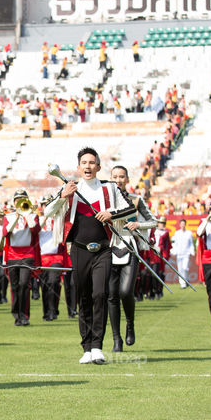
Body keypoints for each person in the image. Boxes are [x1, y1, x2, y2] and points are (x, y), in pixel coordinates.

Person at [45, 147, 136, 364]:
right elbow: (48, 211)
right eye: (84, 163)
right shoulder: (70, 187)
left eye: (92, 162)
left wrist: (111, 213)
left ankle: (97, 346)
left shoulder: (110, 188)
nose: (88, 166)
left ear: (98, 167)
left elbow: (130, 209)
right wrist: (62, 197)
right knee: (83, 297)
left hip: (103, 249)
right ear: (78, 167)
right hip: (78, 249)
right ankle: (86, 347)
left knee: (99, 294)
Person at [107, 165, 155, 351]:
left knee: (126, 292)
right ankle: (116, 339)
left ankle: (130, 324)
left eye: (121, 177)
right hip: (109, 249)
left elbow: (153, 221)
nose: (118, 180)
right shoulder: (105, 202)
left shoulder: (136, 200)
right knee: (111, 295)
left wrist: (138, 225)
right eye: (115, 176)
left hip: (130, 248)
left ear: (127, 179)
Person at [1, 189, 41, 326]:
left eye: (23, 199)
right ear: (14, 202)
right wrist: (17, 217)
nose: (20, 201)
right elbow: (6, 233)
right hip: (12, 255)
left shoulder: (33, 216)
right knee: (14, 286)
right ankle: (16, 314)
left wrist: (27, 214)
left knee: (24, 284)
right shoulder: (8, 217)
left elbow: (35, 230)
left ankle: (24, 315)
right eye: (17, 199)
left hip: (28, 254)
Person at [38, 194, 68, 321]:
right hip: (42, 257)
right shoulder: (38, 220)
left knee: (54, 282)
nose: (47, 206)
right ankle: (47, 311)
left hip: (56, 257)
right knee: (44, 286)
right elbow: (33, 231)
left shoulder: (59, 219)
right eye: (45, 204)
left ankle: (53, 309)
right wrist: (44, 218)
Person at [172, 219, 195, 285]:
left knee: (185, 268)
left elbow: (191, 243)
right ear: (179, 225)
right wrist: (174, 251)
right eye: (181, 224)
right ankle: (182, 283)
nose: (182, 225)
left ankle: (186, 279)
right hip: (179, 253)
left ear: (185, 225)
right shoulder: (177, 233)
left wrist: (192, 251)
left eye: (183, 224)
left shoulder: (189, 233)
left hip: (186, 253)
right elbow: (175, 244)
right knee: (180, 269)